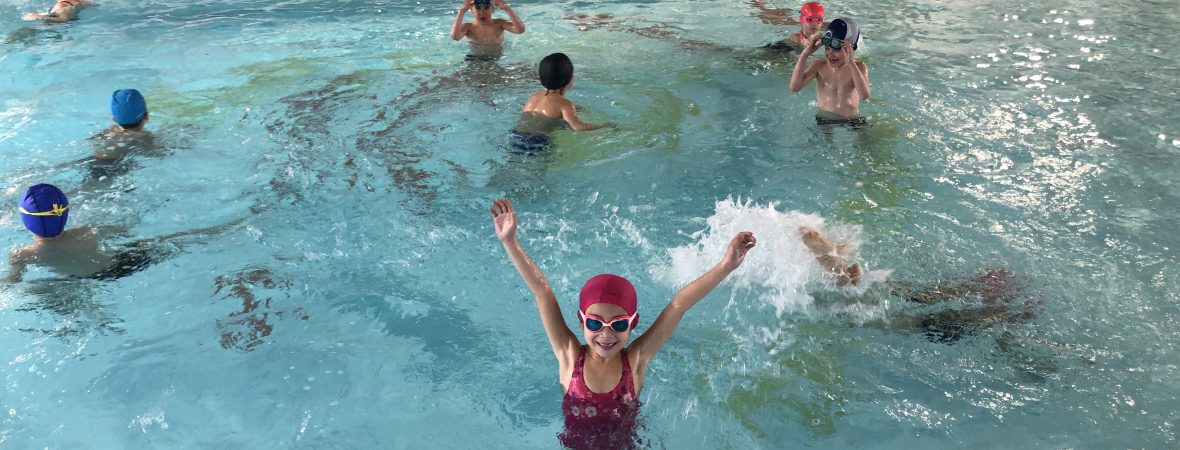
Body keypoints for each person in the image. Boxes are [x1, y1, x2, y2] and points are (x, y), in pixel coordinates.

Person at [490, 198, 756, 447]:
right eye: (595, 324)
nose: (606, 334)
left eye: (617, 325)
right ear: (581, 323)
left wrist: (726, 265)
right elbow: (543, 292)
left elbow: (678, 305)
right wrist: (510, 242)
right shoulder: (569, 356)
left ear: (632, 323)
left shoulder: (636, 361)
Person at [5, 184, 235, 283]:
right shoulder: (86, 231)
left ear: (25, 222)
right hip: (122, 265)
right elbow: (122, 228)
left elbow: (11, 281)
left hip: (87, 280)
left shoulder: (23, 255)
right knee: (172, 240)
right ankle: (225, 228)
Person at [511, 53, 611, 153]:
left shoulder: (533, 97)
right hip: (538, 141)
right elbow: (577, 127)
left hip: (516, 135)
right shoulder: (565, 105)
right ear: (570, 80)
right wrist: (603, 127)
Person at [788, 17, 871, 126]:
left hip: (852, 118)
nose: (830, 54)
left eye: (836, 50)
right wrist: (804, 55)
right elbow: (794, 88)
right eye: (827, 48)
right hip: (824, 119)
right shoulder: (819, 66)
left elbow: (864, 95)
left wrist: (851, 62)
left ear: (850, 49)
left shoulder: (859, 67)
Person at [450, 0, 525, 60]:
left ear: (492, 9)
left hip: (496, 58)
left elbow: (520, 30)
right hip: (474, 58)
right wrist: (461, 11)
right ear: (471, 10)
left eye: (486, 8)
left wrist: (507, 8)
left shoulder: (500, 23)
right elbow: (455, 37)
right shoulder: (468, 27)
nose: (482, 12)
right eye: (478, 8)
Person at [758, 1, 828, 53]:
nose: (814, 23)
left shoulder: (821, 35)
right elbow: (803, 58)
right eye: (810, 19)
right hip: (773, 52)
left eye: (819, 20)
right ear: (802, 19)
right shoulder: (798, 39)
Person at [21, 0, 91, 22]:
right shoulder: (81, 2)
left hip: (55, 27)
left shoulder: (61, 5)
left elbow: (64, 19)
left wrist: (39, 17)